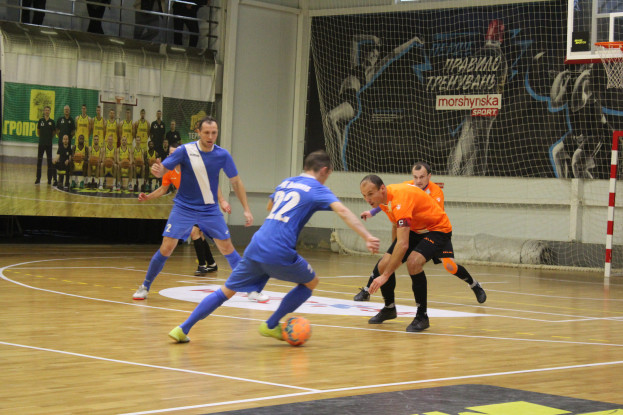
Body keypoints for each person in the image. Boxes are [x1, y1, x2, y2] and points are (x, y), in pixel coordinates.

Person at [167, 150, 380, 343]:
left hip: (257, 243)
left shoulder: (287, 182)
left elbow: (270, 206)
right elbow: (343, 211)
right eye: (328, 175)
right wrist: (367, 236)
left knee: (226, 291)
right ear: (324, 171)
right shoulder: (317, 188)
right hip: (279, 248)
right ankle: (270, 324)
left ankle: (182, 328)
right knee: (310, 282)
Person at [132, 115, 254, 301]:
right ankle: (145, 286)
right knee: (167, 248)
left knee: (227, 247)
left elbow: (236, 182)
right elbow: (164, 169)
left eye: (214, 133)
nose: (210, 136)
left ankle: (250, 287)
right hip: (184, 208)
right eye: (206, 132)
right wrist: (158, 171)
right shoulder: (185, 151)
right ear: (198, 132)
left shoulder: (222, 155)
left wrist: (246, 208)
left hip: (209, 209)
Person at [355, 162, 486, 304]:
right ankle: (367, 290)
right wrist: (372, 212)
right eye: (415, 177)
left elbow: (434, 215)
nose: (418, 181)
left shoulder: (436, 192)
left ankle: (474, 284)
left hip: (434, 231)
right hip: (415, 232)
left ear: (429, 176)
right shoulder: (407, 186)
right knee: (387, 260)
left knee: (450, 266)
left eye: (422, 177)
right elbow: (386, 198)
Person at [359, 174, 464, 332]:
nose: (368, 199)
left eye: (370, 194)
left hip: (437, 229)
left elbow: (403, 244)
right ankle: (389, 308)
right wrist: (391, 256)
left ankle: (422, 317)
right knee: (384, 264)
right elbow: (397, 230)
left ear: (382, 189)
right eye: (364, 195)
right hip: (416, 229)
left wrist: (386, 276)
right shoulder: (383, 200)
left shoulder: (399, 200)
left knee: (413, 263)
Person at [325, 34, 424, 170]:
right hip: (341, 101)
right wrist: (372, 38)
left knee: (330, 117)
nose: (373, 56)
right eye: (372, 53)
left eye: (376, 56)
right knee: (340, 139)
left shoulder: (370, 73)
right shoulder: (354, 65)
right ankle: (340, 167)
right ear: (366, 53)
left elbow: (393, 55)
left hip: (351, 102)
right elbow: (355, 39)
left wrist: (413, 40)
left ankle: (335, 160)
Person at [35, 105, 56, 186]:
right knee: (39, 162)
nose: (47, 111)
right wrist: (43, 138)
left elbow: (53, 133)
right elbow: (38, 132)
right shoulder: (41, 121)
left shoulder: (52, 122)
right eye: (46, 110)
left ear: (50, 112)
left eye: (48, 110)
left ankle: (49, 179)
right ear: (44, 111)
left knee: (49, 162)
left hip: (49, 144)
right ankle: (38, 179)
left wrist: (48, 138)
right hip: (41, 144)